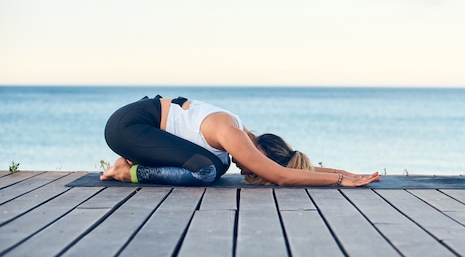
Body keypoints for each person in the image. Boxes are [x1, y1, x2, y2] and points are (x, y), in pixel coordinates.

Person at [100, 95, 381, 187]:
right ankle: (126, 171)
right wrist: (340, 180)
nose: (248, 170)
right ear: (262, 152)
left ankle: (134, 161)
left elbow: (287, 167)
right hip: (128, 126)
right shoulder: (233, 134)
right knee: (208, 170)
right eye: (255, 165)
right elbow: (282, 175)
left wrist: (346, 171)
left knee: (217, 164)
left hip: (142, 125)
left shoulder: (241, 134)